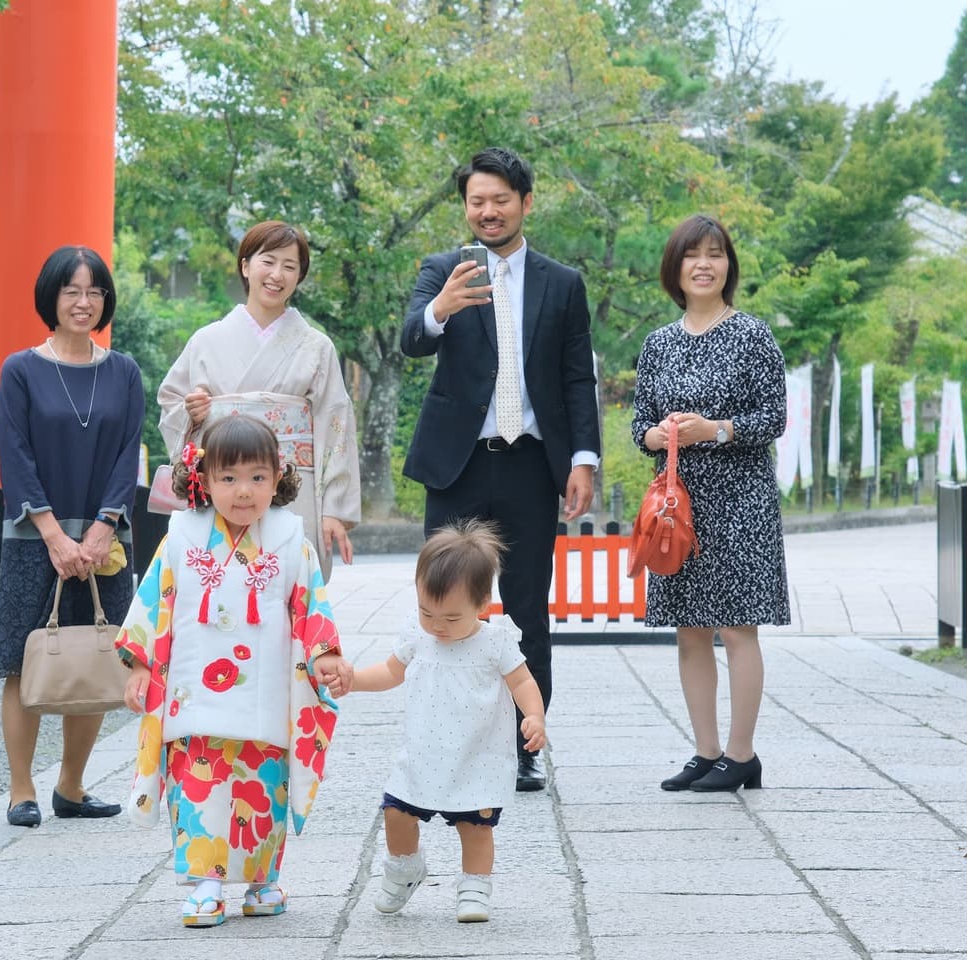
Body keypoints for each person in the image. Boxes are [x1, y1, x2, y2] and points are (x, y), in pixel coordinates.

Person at [399, 147, 600, 792]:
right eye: (476, 201)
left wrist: (583, 459)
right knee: (445, 606)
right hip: (457, 467)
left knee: (527, 609)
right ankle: (445, 737)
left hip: (531, 466)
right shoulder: (443, 270)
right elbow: (411, 339)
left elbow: (576, 378)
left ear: (525, 203)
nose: (487, 211)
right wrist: (441, 310)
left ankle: (523, 746)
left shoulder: (562, 283)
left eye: (500, 199)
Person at [117, 415, 351, 928]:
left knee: (262, 785)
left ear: (278, 479)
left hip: (265, 691)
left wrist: (325, 653)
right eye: (228, 478)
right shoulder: (181, 536)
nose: (244, 491)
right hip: (193, 689)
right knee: (199, 783)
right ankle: (206, 884)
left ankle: (263, 879)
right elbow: (154, 603)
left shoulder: (291, 539)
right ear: (202, 480)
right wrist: (139, 663)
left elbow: (310, 604)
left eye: (257, 477)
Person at [632, 214, 788, 793]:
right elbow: (638, 426)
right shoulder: (658, 344)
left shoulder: (752, 334)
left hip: (740, 499)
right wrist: (660, 434)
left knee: (737, 626)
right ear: (674, 268)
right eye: (692, 254)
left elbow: (772, 418)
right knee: (689, 630)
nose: (704, 264)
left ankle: (742, 755)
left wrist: (713, 429)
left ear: (728, 266)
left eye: (715, 254)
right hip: (677, 507)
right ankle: (706, 751)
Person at [0, 245, 145, 827]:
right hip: (36, 539)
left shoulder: (123, 370)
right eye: (71, 291)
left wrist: (105, 527)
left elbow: (127, 452)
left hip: (106, 540)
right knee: (21, 660)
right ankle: (20, 788)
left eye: (95, 292)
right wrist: (56, 536)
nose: (84, 303)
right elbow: (16, 455)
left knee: (97, 653)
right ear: (50, 298)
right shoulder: (21, 370)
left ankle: (72, 786)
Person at [341, 519, 545, 923]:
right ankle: (405, 868)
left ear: (483, 603)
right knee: (396, 813)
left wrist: (534, 715)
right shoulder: (418, 636)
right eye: (426, 612)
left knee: (476, 826)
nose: (437, 625)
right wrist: (354, 682)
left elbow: (522, 680)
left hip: (478, 755)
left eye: (451, 618)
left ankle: (474, 886)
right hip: (423, 753)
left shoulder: (495, 641)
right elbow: (391, 672)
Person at [158, 220, 360, 582]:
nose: (277, 275)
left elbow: (337, 426)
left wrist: (335, 510)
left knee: (289, 590)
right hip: (226, 483)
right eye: (268, 261)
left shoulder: (316, 346)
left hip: (292, 487)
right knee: (220, 590)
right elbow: (171, 401)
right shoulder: (206, 340)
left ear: (299, 276)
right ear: (245, 265)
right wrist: (192, 414)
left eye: (290, 266)